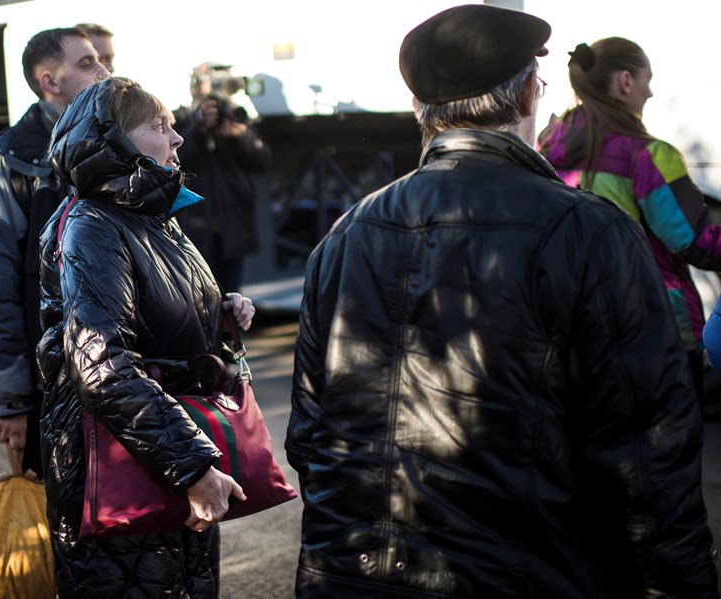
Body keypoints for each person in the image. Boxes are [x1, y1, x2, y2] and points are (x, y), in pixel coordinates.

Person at [286, 5, 718, 598]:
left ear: (419, 109)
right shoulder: (589, 231)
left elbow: (311, 434)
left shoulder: (344, 235)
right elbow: (645, 457)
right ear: (526, 99)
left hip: (347, 575)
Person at [36, 76, 256, 598]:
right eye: (159, 126)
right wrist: (192, 468)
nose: (176, 138)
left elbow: (145, 313)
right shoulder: (94, 222)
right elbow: (103, 364)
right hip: (130, 459)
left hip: (161, 447)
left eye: (173, 125)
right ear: (114, 139)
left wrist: (214, 310)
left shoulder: (151, 214)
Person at [538, 38, 721, 407]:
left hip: (564, 327)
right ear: (625, 81)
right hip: (652, 332)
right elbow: (695, 242)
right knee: (668, 456)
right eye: (646, 79)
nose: (650, 92)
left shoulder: (546, 149)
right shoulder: (649, 156)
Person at [0, 27, 108, 475]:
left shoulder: (126, 149)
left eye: (105, 59)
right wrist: (10, 400)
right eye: (87, 63)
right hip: (57, 390)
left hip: (129, 385)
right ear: (50, 81)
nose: (104, 71)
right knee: (66, 528)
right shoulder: (8, 170)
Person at [173, 62, 271, 292]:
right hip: (196, 225)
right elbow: (176, 159)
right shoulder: (183, 119)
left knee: (231, 294)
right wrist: (199, 130)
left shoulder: (236, 117)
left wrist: (241, 137)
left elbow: (263, 161)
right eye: (211, 83)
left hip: (233, 226)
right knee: (201, 294)